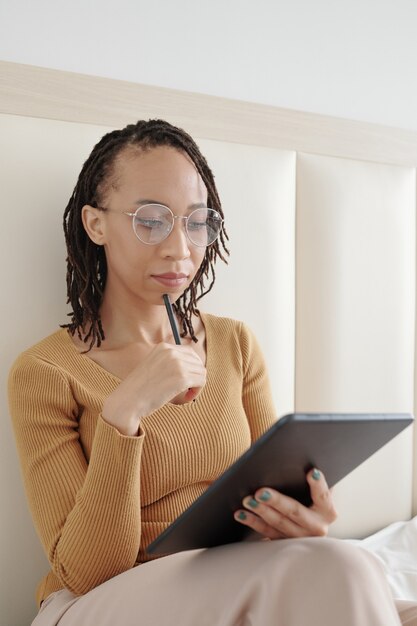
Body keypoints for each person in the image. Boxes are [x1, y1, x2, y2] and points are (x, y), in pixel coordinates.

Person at [8, 119, 417, 626]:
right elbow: (87, 571)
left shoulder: (233, 344)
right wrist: (125, 411)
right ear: (95, 224)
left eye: (197, 221)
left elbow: (274, 484)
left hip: (233, 578)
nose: (180, 248)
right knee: (348, 571)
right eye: (151, 220)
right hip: (98, 601)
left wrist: (298, 520)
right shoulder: (45, 371)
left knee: (363, 578)